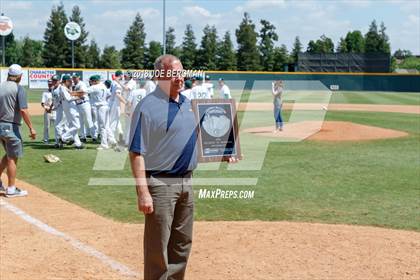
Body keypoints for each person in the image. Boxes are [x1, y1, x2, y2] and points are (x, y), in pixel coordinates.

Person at [129, 55, 239, 280]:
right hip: (160, 184)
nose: (180, 78)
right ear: (160, 75)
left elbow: (197, 141)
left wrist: (223, 153)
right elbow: (136, 152)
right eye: (174, 74)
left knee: (182, 243)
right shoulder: (147, 107)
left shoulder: (189, 104)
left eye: (181, 73)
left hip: (186, 182)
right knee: (157, 246)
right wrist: (143, 192)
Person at [0, 64, 36, 197]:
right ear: (20, 76)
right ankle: (11, 189)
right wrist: (31, 127)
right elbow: (23, 110)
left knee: (8, 154)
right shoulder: (18, 88)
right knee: (12, 157)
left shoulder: (1, 86)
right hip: (10, 127)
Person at [85, 75, 111, 150]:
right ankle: (111, 141)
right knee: (106, 126)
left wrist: (72, 93)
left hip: (100, 107)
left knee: (102, 127)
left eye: (91, 81)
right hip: (105, 105)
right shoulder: (103, 85)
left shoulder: (94, 87)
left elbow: (83, 92)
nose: (91, 82)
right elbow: (109, 94)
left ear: (95, 81)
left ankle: (104, 144)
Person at [59, 75, 84, 149]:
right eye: (69, 81)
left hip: (68, 108)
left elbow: (70, 95)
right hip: (70, 109)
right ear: (66, 81)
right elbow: (68, 98)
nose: (71, 82)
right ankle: (63, 137)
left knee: (73, 127)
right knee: (77, 126)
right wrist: (79, 97)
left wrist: (75, 94)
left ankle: (78, 144)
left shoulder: (64, 88)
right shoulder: (63, 88)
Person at [72, 73, 96, 143]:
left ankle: (94, 136)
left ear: (78, 77)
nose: (74, 78)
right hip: (78, 104)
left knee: (88, 120)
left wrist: (73, 93)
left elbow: (82, 92)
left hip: (85, 103)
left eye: (75, 77)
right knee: (80, 121)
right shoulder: (75, 85)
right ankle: (83, 136)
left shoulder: (81, 84)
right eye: (73, 77)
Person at [108, 70, 126, 146]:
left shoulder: (113, 82)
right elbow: (118, 95)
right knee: (113, 122)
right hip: (115, 104)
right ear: (120, 75)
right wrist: (126, 102)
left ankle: (114, 136)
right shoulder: (117, 84)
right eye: (122, 75)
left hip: (111, 103)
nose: (123, 77)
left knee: (115, 121)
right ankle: (111, 139)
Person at [41, 79, 55, 143]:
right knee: (47, 126)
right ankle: (46, 139)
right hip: (47, 111)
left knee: (57, 126)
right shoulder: (45, 93)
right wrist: (46, 108)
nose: (50, 85)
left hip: (55, 111)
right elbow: (42, 103)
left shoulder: (55, 91)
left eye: (51, 83)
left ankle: (58, 139)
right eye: (49, 84)